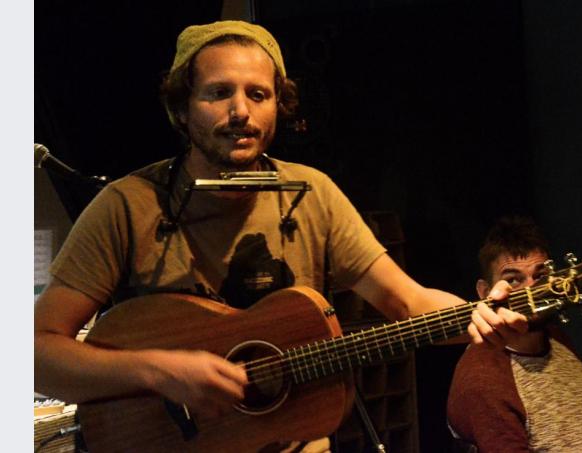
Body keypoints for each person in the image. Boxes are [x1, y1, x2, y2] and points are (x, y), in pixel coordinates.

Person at [33, 20, 529, 452]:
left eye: (258, 94)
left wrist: (478, 316)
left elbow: (408, 301)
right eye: (218, 93)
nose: (240, 112)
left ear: (278, 106)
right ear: (181, 108)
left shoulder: (312, 193)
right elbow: (35, 356)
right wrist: (159, 371)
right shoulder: (126, 204)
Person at [446, 216, 582, 452]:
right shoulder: (482, 377)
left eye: (540, 277)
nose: (532, 291)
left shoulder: (555, 338)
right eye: (513, 280)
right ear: (484, 292)